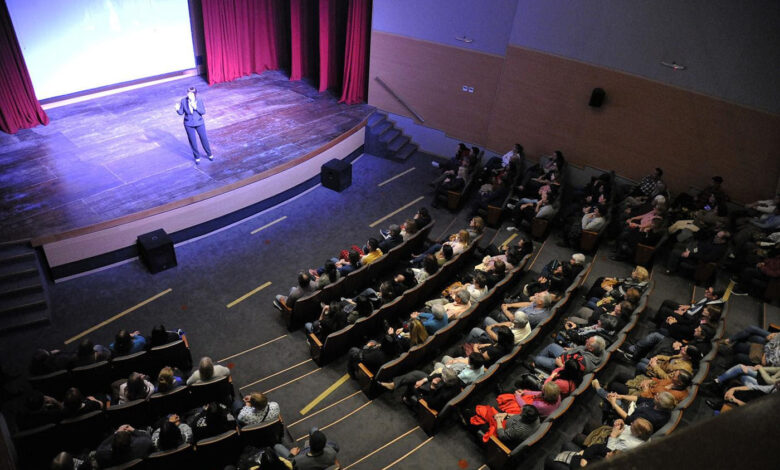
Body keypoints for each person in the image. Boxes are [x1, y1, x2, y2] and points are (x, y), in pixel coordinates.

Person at [175, 86, 213, 164]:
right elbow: (181, 113)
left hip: (199, 122)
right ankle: (197, 157)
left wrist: (195, 107)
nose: (189, 95)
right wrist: (177, 109)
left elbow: (203, 112)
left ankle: (209, 154)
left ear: (195, 94)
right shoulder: (183, 101)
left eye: (191, 94)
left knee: (204, 139)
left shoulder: (199, 100)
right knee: (192, 141)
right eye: (188, 93)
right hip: (188, 123)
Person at [274, 429, 339, 470]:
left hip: (300, 460)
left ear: (309, 444)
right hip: (323, 461)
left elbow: (290, 464)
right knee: (314, 430)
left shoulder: (298, 460)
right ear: (324, 444)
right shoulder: (332, 452)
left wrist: (292, 454)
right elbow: (336, 448)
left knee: (277, 446)